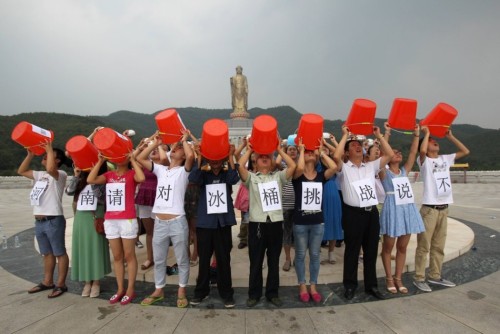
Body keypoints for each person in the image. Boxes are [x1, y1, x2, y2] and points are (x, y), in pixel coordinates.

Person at [333, 126, 394, 300]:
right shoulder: (344, 168)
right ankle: (350, 286)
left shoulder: (370, 166)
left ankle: (371, 286)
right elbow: (336, 157)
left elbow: (388, 155)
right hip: (353, 214)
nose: (357, 146)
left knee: (371, 250)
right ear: (347, 151)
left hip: (371, 213)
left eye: (359, 144)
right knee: (352, 251)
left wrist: (379, 136)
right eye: (352, 146)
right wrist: (345, 135)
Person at [137, 130, 194, 308]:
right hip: (160, 222)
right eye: (174, 147)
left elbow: (191, 155)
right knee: (159, 259)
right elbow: (140, 158)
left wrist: (185, 139)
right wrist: (155, 142)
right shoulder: (161, 170)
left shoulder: (184, 172)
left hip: (177, 221)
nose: (175, 148)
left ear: (183, 155)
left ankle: (181, 290)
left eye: (179, 148)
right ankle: (159, 289)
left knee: (182, 258)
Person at [237, 140, 296, 307]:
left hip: (275, 223)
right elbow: (239, 166)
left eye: (267, 157)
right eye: (260, 157)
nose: (264, 158)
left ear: (272, 162)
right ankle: (254, 294)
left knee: (273, 261)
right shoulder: (251, 178)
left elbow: (292, 166)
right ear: (255, 161)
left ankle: (272, 293)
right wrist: (249, 151)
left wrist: (278, 149)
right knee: (256, 261)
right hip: (257, 224)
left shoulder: (278, 177)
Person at [413, 126, 470, 292]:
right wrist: (427, 134)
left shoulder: (445, 159)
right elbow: (422, 151)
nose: (435, 142)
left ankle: (435, 276)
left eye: (435, 141)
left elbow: (465, 151)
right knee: (424, 246)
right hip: (430, 209)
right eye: (431, 142)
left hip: (444, 209)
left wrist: (450, 137)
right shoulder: (424, 161)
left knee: (438, 246)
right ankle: (419, 277)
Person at [87, 151, 145, 305]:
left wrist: (133, 159)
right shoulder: (108, 175)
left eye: (124, 155)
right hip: (111, 220)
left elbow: (141, 178)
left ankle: (130, 289)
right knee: (117, 256)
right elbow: (90, 179)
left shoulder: (132, 174)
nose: (120, 158)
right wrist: (100, 162)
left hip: (127, 219)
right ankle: (120, 289)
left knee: (129, 255)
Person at [188, 144, 239, 308]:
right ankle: (201, 292)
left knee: (224, 259)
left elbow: (234, 179)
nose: (216, 162)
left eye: (219, 159)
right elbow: (193, 178)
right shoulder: (203, 174)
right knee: (204, 260)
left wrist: (230, 157)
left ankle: (226, 293)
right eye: (213, 159)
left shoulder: (226, 174)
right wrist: (199, 157)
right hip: (205, 223)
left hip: (223, 222)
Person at [18, 142, 71, 298]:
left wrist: (49, 147)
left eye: (49, 155)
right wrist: (30, 155)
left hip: (53, 219)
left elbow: (50, 169)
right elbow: (21, 170)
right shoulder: (40, 175)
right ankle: (47, 281)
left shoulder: (60, 174)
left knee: (59, 252)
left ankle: (61, 284)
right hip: (40, 221)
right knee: (47, 253)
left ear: (58, 160)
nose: (45, 156)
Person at [379, 123, 425, 294]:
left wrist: (416, 135)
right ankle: (389, 278)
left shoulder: (404, 171)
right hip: (392, 208)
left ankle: (399, 278)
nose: (398, 154)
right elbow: (383, 153)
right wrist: (386, 134)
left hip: (407, 208)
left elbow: (413, 153)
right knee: (388, 247)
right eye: (395, 152)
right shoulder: (384, 172)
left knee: (403, 247)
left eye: (399, 152)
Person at [293, 138, 337, 303]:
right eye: (308, 153)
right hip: (300, 222)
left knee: (315, 254)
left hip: (317, 221)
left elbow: (334, 167)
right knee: (300, 254)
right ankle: (302, 284)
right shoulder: (297, 176)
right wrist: (302, 151)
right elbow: (299, 167)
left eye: (313, 153)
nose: (311, 154)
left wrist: (322, 152)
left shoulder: (321, 175)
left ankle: (313, 285)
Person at [66, 163, 111, 298]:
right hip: (81, 216)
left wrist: (92, 180)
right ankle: (87, 281)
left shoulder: (103, 179)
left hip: (95, 216)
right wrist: (76, 176)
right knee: (83, 248)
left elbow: (101, 196)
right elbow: (69, 191)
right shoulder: (80, 180)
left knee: (95, 247)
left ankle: (96, 281)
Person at [134, 139, 168, 271]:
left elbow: (164, 158)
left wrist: (158, 145)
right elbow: (133, 158)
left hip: (159, 199)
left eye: (159, 147)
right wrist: (141, 146)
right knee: (149, 232)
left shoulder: (165, 164)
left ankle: (160, 259)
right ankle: (150, 258)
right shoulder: (145, 163)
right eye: (152, 148)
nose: (154, 149)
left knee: (161, 232)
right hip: (144, 198)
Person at [319, 135, 343, 265]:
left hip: (332, 193)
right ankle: (318, 252)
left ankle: (331, 252)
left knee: (334, 221)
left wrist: (326, 144)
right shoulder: (316, 164)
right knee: (320, 223)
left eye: (326, 149)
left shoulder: (334, 163)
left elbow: (338, 152)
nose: (324, 150)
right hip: (320, 193)